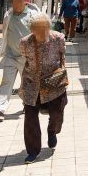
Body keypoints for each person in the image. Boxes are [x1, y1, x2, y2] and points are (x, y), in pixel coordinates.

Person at [19, 13, 68, 164]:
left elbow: (62, 56)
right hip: (32, 84)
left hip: (54, 83)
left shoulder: (58, 38)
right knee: (30, 116)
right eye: (36, 30)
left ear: (48, 27)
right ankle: (33, 151)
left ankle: (52, 131)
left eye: (43, 29)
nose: (40, 33)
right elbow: (24, 59)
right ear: (32, 30)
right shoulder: (25, 42)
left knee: (57, 113)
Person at [0, 0, 38, 122]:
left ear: (25, 1)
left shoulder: (33, 15)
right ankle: (0, 109)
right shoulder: (8, 15)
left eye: (19, 3)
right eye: (14, 3)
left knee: (26, 84)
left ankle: (27, 105)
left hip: (27, 58)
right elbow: (5, 33)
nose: (16, 6)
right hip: (11, 55)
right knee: (7, 82)